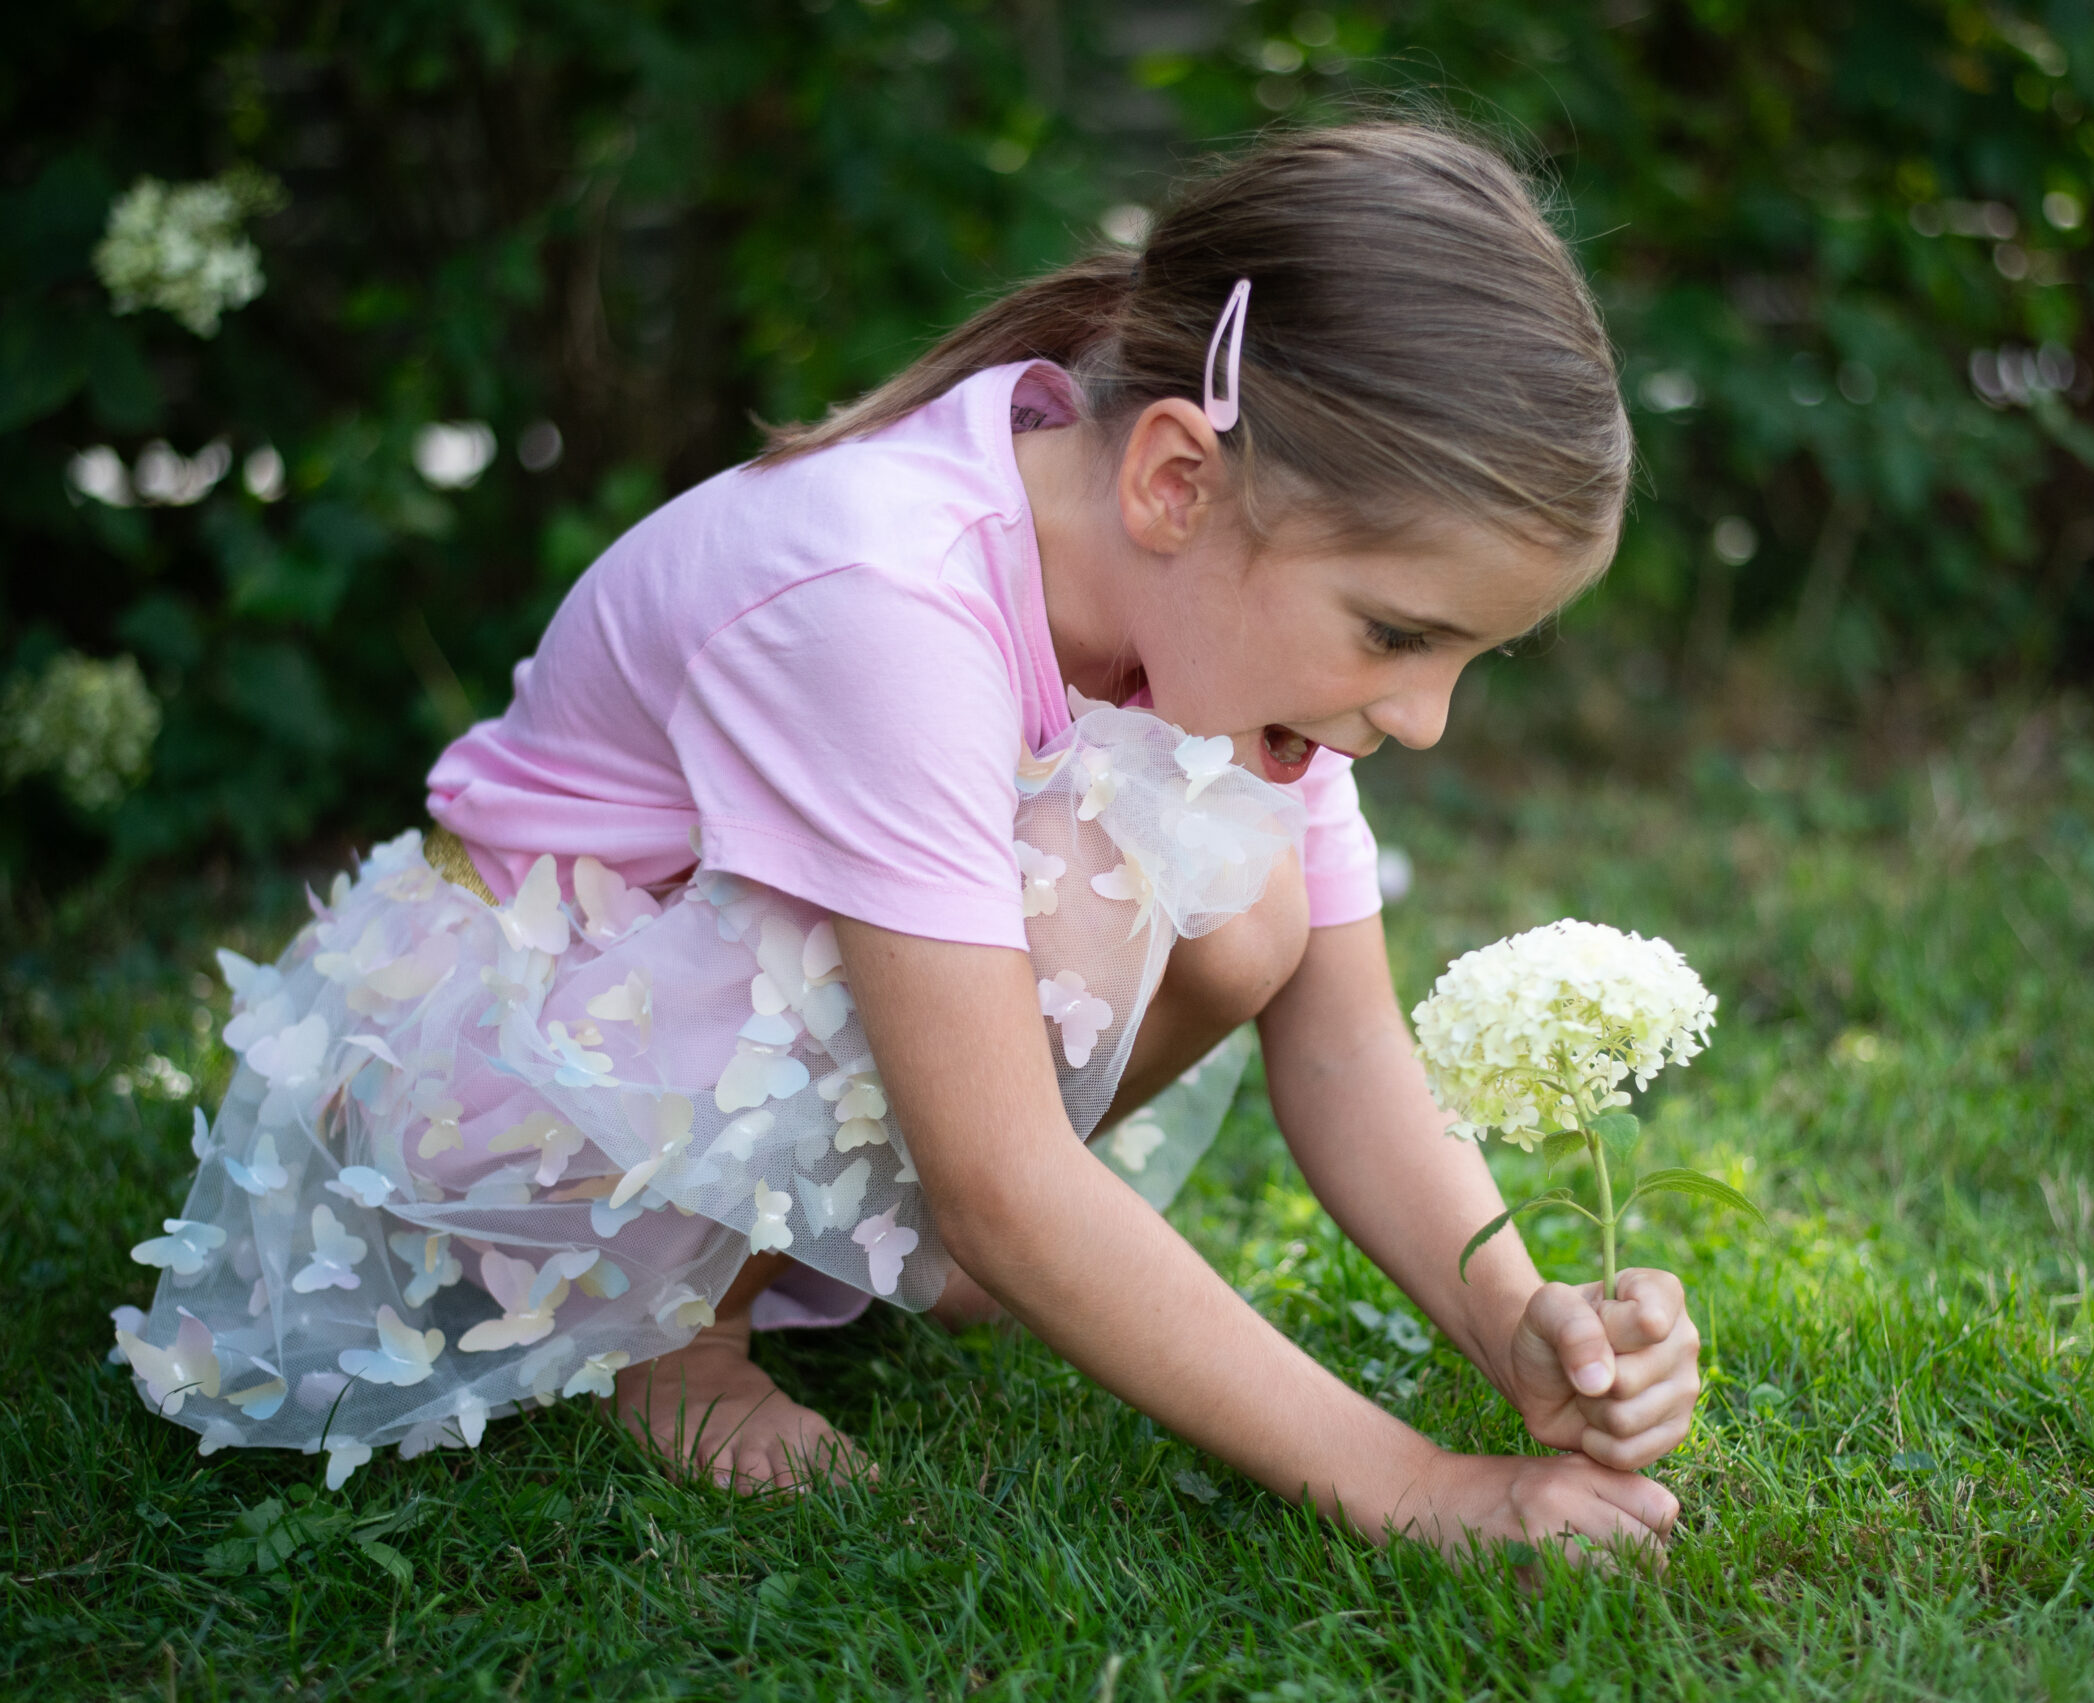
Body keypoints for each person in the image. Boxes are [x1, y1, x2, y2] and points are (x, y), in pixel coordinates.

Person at [117, 120, 1702, 1560]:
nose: (1422, 719)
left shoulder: (1215, 605)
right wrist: (1419, 1486)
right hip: (500, 1093)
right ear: (1174, 479)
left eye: (1465, 661)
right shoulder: (882, 599)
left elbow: (1346, 1049)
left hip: (690, 1066)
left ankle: (866, 1255)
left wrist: (1515, 1323)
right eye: (1397, 635)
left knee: (1253, 914)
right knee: (1079, 905)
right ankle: (678, 1346)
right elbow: (1012, 1177)